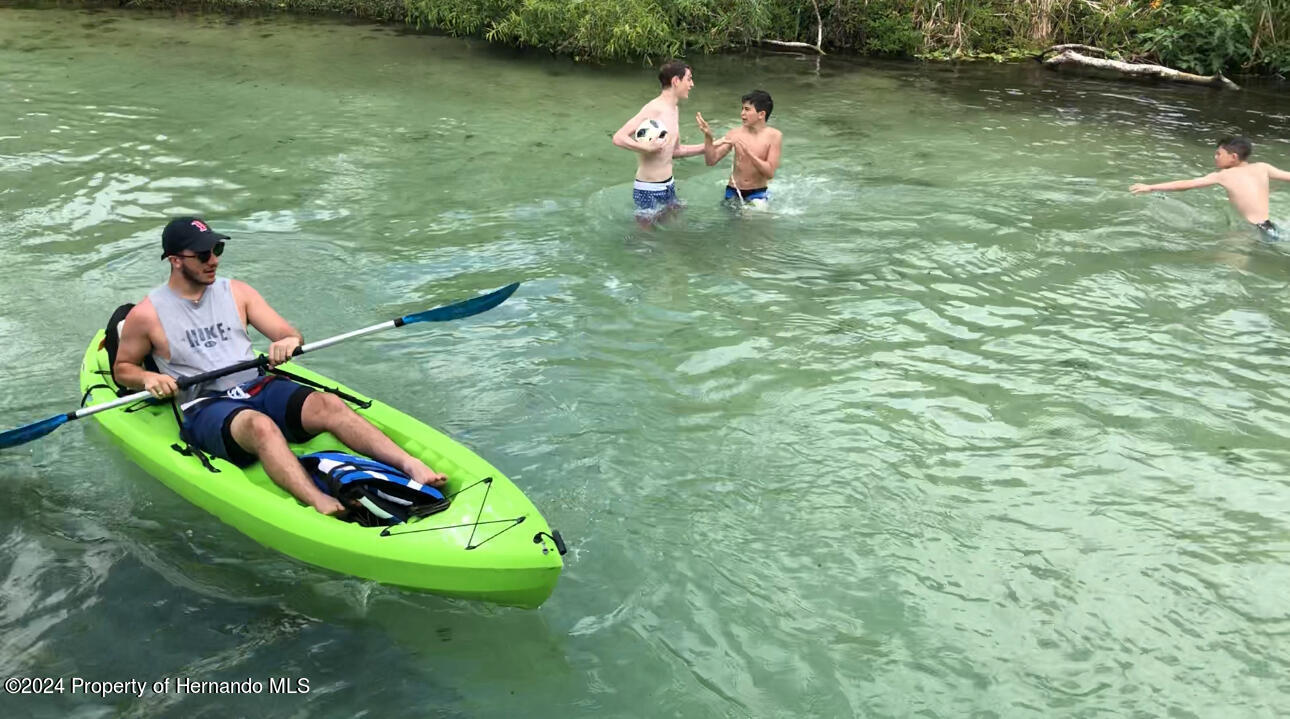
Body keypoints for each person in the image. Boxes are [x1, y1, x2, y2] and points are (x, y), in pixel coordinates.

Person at [113, 217, 446, 516]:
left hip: (258, 385)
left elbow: (288, 332)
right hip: (205, 404)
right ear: (175, 261)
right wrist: (149, 377)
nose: (213, 260)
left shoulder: (237, 292)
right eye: (203, 255)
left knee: (328, 403)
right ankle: (318, 501)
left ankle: (409, 464)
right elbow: (123, 369)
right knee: (260, 427)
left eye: (216, 249)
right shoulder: (147, 314)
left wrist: (287, 341)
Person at [1130, 136, 1287, 241]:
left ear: (1233, 157)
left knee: (1230, 267)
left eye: (1219, 154)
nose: (1215, 157)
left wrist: (1151, 187)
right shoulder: (1263, 167)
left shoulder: (1223, 175)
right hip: (1269, 228)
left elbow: (1186, 184)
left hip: (1250, 231)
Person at [611, 60, 707, 221]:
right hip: (648, 189)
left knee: (671, 227)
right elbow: (618, 138)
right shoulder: (654, 108)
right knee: (645, 239)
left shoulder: (674, 110)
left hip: (668, 185)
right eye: (689, 79)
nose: (692, 84)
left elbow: (674, 151)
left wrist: (707, 147)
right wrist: (645, 148)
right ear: (676, 81)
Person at [696, 90, 782, 207]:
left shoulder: (774, 136)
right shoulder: (735, 133)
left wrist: (749, 153)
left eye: (747, 109)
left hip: (758, 192)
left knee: (753, 219)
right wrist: (708, 136)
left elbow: (769, 173)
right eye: (742, 109)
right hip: (733, 190)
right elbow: (711, 161)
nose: (742, 113)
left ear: (761, 114)